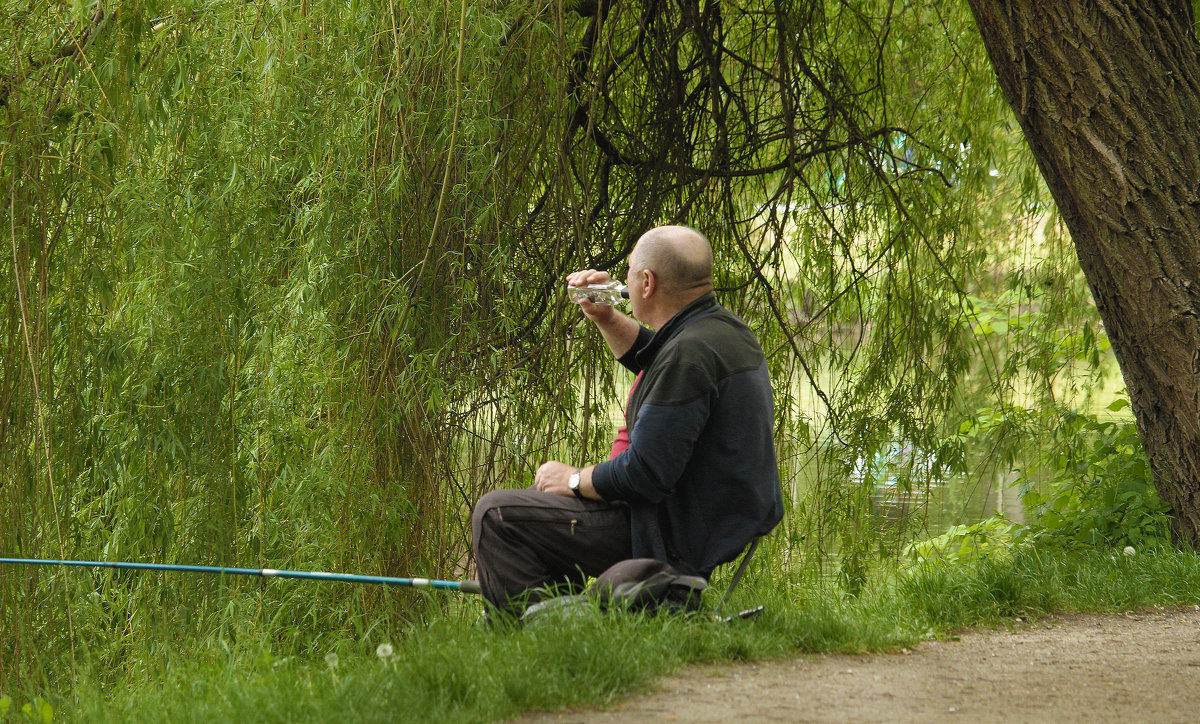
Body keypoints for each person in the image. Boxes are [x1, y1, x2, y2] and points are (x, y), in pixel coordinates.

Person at [471, 224, 784, 616]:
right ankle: (564, 617)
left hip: (668, 529)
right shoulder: (721, 332)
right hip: (703, 515)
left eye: (630, 271)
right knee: (535, 510)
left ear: (647, 283)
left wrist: (572, 479)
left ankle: (552, 635)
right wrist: (605, 317)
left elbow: (644, 475)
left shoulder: (689, 355)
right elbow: (654, 358)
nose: (626, 281)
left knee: (498, 515)